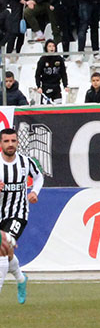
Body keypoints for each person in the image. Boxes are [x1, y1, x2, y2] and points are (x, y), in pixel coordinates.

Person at [0, 128, 42, 305]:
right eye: (6, 141)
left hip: (18, 214)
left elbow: (39, 177)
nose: (10, 144)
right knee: (7, 251)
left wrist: (34, 192)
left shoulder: (25, 162)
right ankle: (21, 278)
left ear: (17, 142)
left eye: (13, 141)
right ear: (1, 144)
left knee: (2, 248)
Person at [34, 39, 66, 103]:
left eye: (53, 46)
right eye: (49, 46)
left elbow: (63, 73)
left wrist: (65, 85)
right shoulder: (42, 59)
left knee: (58, 106)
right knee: (45, 107)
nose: (52, 48)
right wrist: (38, 86)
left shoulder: (59, 59)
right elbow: (37, 74)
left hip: (56, 87)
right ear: (46, 48)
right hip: (46, 87)